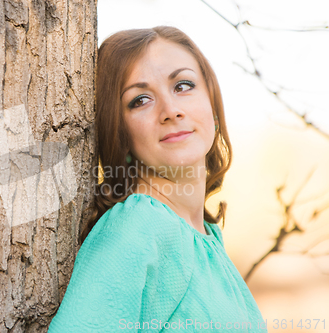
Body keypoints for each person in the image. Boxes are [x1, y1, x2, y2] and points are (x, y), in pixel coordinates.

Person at [48, 26, 267, 332]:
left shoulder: (207, 237)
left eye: (183, 85)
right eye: (140, 100)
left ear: (213, 106)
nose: (170, 110)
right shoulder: (139, 226)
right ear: (119, 132)